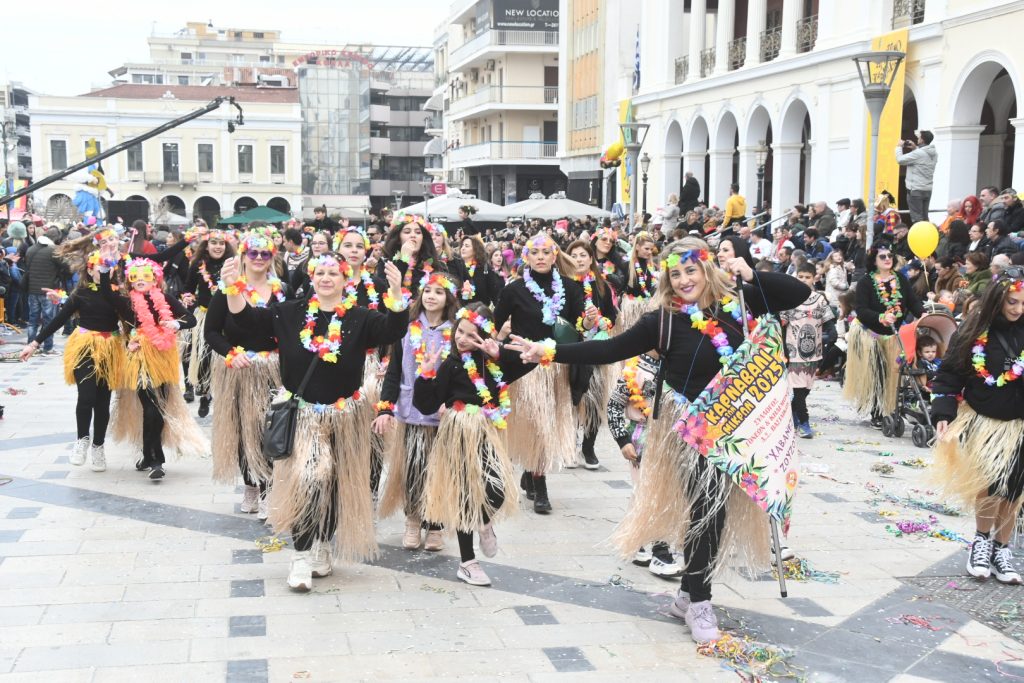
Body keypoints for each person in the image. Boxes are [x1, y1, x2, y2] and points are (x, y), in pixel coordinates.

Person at [510, 238, 810, 642]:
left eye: (692, 270)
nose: (685, 280)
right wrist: (547, 352)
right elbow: (609, 349)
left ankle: (688, 592)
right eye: (676, 273)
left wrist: (749, 272)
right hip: (688, 430)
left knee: (711, 513)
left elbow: (800, 293)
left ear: (708, 269)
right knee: (708, 510)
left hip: (737, 430)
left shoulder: (740, 302)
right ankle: (701, 603)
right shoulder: (663, 320)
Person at [225, 252, 409, 591]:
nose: (326, 278)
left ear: (344, 279)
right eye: (320, 272)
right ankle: (300, 555)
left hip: (346, 416)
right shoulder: (289, 313)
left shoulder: (360, 318)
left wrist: (396, 295)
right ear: (312, 277)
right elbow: (246, 320)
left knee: (336, 484)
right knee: (310, 480)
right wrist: (232, 288)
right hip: (304, 415)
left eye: (333, 273)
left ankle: (324, 543)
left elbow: (394, 328)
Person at [414, 303, 529, 586]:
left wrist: (498, 354)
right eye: (459, 332)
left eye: (470, 334)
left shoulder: (494, 364)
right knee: (465, 493)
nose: (461, 339)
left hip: (487, 431)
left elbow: (528, 364)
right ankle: (467, 562)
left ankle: (484, 521)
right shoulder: (452, 365)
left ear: (484, 336)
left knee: (496, 489)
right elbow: (427, 404)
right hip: (459, 431)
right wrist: (426, 375)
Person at [932, 273, 1024, 585]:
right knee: (989, 487)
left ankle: (1002, 549)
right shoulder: (973, 330)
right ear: (997, 299)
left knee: (1013, 491)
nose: (1018, 309)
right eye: (1012, 302)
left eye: (1023, 303)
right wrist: (943, 409)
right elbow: (949, 374)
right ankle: (981, 543)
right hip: (985, 422)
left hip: (1020, 424)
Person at [18, 229, 127, 472]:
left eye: (105, 266)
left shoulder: (117, 295)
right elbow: (57, 320)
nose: (100, 270)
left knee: (102, 401)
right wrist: (34, 343)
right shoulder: (81, 293)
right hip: (84, 346)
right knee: (86, 396)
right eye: (96, 266)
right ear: (89, 270)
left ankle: (98, 447)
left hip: (110, 347)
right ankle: (82, 440)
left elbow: (131, 318)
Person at [495, 233, 586, 514]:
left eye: (546, 251)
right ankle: (540, 484)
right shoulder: (514, 290)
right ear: (527, 257)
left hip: (557, 368)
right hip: (526, 370)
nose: (541, 257)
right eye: (535, 252)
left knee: (548, 426)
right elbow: (498, 325)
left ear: (555, 255)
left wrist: (590, 320)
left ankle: (532, 472)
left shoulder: (571, 288)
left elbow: (579, 324)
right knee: (537, 425)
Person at [204, 229, 289, 519]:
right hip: (239, 371)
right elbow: (211, 332)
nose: (259, 258)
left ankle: (267, 489)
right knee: (244, 430)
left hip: (274, 371)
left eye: (265, 254)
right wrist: (230, 353)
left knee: (270, 428)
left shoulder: (282, 291)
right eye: (253, 253)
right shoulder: (227, 289)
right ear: (243, 256)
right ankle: (250, 485)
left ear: (272, 258)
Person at [101, 252, 206, 480]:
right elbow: (105, 293)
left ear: (154, 279)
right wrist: (103, 268)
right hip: (139, 357)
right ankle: (157, 459)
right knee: (150, 404)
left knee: (158, 407)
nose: (141, 278)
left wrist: (176, 323)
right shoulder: (127, 301)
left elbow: (191, 319)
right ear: (130, 279)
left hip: (163, 357)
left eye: (146, 275)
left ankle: (148, 454)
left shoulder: (166, 299)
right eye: (136, 275)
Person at [374, 272, 458, 552]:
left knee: (440, 470)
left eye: (439, 292)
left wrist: (455, 401)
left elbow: (462, 373)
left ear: (449, 299)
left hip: (443, 414)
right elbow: (394, 370)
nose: (432, 296)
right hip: (411, 411)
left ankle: (435, 524)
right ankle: (412, 519)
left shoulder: (456, 331)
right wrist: (385, 407)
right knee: (413, 468)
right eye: (428, 291)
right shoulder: (407, 330)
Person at [844, 243, 925, 428]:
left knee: (892, 375)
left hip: (892, 335)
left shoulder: (901, 279)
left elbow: (913, 302)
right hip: (869, 334)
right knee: (876, 373)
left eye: (890, 255)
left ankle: (888, 409)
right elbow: (861, 310)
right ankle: (877, 411)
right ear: (874, 261)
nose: (888, 258)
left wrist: (924, 315)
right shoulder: (866, 282)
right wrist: (880, 317)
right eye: (883, 256)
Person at [567, 240, 618, 469]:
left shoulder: (602, 287)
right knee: (569, 399)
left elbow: (612, 317)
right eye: (574, 255)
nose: (579, 259)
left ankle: (588, 447)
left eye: (583, 255)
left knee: (595, 398)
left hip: (596, 347)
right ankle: (569, 444)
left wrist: (601, 321)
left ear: (591, 259)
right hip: (570, 349)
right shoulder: (563, 285)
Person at [181, 230, 234, 417]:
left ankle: (226, 394)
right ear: (207, 245)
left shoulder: (233, 264)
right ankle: (204, 394)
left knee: (223, 357)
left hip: (228, 318)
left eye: (221, 243)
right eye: (214, 243)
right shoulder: (197, 264)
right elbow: (187, 289)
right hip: (204, 316)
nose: (218, 246)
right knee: (203, 358)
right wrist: (187, 298)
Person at [781, 263, 836, 438]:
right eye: (801, 276)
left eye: (807, 277)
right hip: (793, 351)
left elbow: (828, 321)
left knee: (806, 388)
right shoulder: (788, 299)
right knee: (798, 389)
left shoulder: (819, 299)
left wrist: (833, 332)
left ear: (815, 278)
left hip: (815, 352)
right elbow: (781, 325)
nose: (804, 280)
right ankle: (804, 422)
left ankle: (792, 414)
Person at [23, 227, 67, 355]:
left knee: (33, 320)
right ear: (56, 238)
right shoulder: (54, 250)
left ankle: (31, 346)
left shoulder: (30, 249)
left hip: (32, 289)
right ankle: (48, 348)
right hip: (48, 291)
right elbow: (66, 267)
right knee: (49, 320)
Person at [895, 130, 937, 224]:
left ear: (921, 140)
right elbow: (922, 158)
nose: (917, 139)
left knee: (917, 219)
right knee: (925, 218)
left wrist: (899, 147)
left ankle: (920, 238)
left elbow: (900, 160)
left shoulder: (918, 154)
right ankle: (928, 237)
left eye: (919, 137)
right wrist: (915, 148)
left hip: (916, 190)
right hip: (927, 189)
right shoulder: (934, 154)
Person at [450, 235, 504, 307]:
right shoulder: (456, 267)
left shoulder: (484, 268)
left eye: (467, 246)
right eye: (462, 246)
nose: (463, 248)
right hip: (459, 312)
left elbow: (494, 294)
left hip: (480, 312)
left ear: (475, 249)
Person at [620, 232, 658, 329]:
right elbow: (620, 288)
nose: (649, 252)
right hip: (631, 312)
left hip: (646, 310)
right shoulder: (628, 265)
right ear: (637, 247)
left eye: (651, 249)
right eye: (646, 248)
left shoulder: (650, 267)